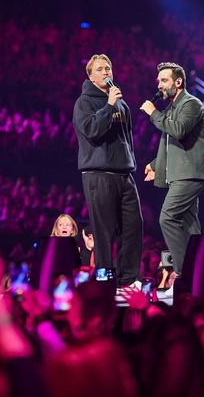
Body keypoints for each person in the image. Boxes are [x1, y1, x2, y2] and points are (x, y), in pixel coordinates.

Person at [72, 54, 143, 288]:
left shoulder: (121, 103)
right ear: (91, 77)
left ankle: (128, 280)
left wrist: (132, 162)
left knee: (134, 226)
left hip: (125, 174)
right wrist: (109, 105)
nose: (106, 72)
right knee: (103, 233)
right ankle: (105, 283)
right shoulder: (84, 102)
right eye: (101, 69)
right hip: (98, 174)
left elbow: (127, 138)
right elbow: (92, 130)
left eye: (109, 68)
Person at [140, 62, 204, 284]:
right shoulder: (171, 108)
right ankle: (203, 268)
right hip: (179, 174)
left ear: (177, 82)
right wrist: (155, 165)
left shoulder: (192, 104)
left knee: (167, 218)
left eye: (164, 80)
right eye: (158, 81)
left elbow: (178, 130)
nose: (159, 85)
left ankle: (184, 270)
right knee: (190, 225)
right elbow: (170, 145)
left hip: (190, 175)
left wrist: (153, 113)